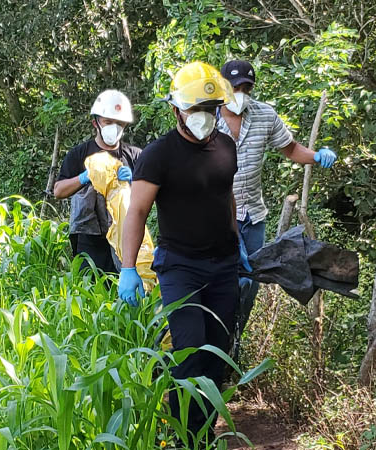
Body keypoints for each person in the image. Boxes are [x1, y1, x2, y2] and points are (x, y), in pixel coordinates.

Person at [117, 61, 250, 446]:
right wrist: (128, 268)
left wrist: (237, 241)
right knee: (190, 352)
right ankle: (182, 437)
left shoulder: (226, 146)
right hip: (181, 267)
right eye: (195, 109)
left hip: (224, 266)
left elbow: (226, 195)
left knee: (217, 356)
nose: (204, 116)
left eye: (211, 109)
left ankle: (203, 435)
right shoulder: (159, 155)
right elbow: (136, 212)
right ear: (176, 110)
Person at [218, 59, 337, 338]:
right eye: (235, 88)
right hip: (217, 215)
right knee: (223, 280)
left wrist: (317, 156)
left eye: (246, 88)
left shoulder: (264, 115)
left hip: (252, 215)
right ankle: (215, 341)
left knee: (250, 283)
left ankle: (235, 342)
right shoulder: (205, 119)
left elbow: (290, 148)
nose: (240, 94)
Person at [54, 90, 140, 273]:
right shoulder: (79, 154)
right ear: (96, 123)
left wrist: (135, 181)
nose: (114, 127)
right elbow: (59, 191)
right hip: (89, 238)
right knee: (90, 285)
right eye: (108, 122)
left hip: (126, 236)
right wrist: (84, 177)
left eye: (119, 123)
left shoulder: (134, 155)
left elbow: (154, 192)